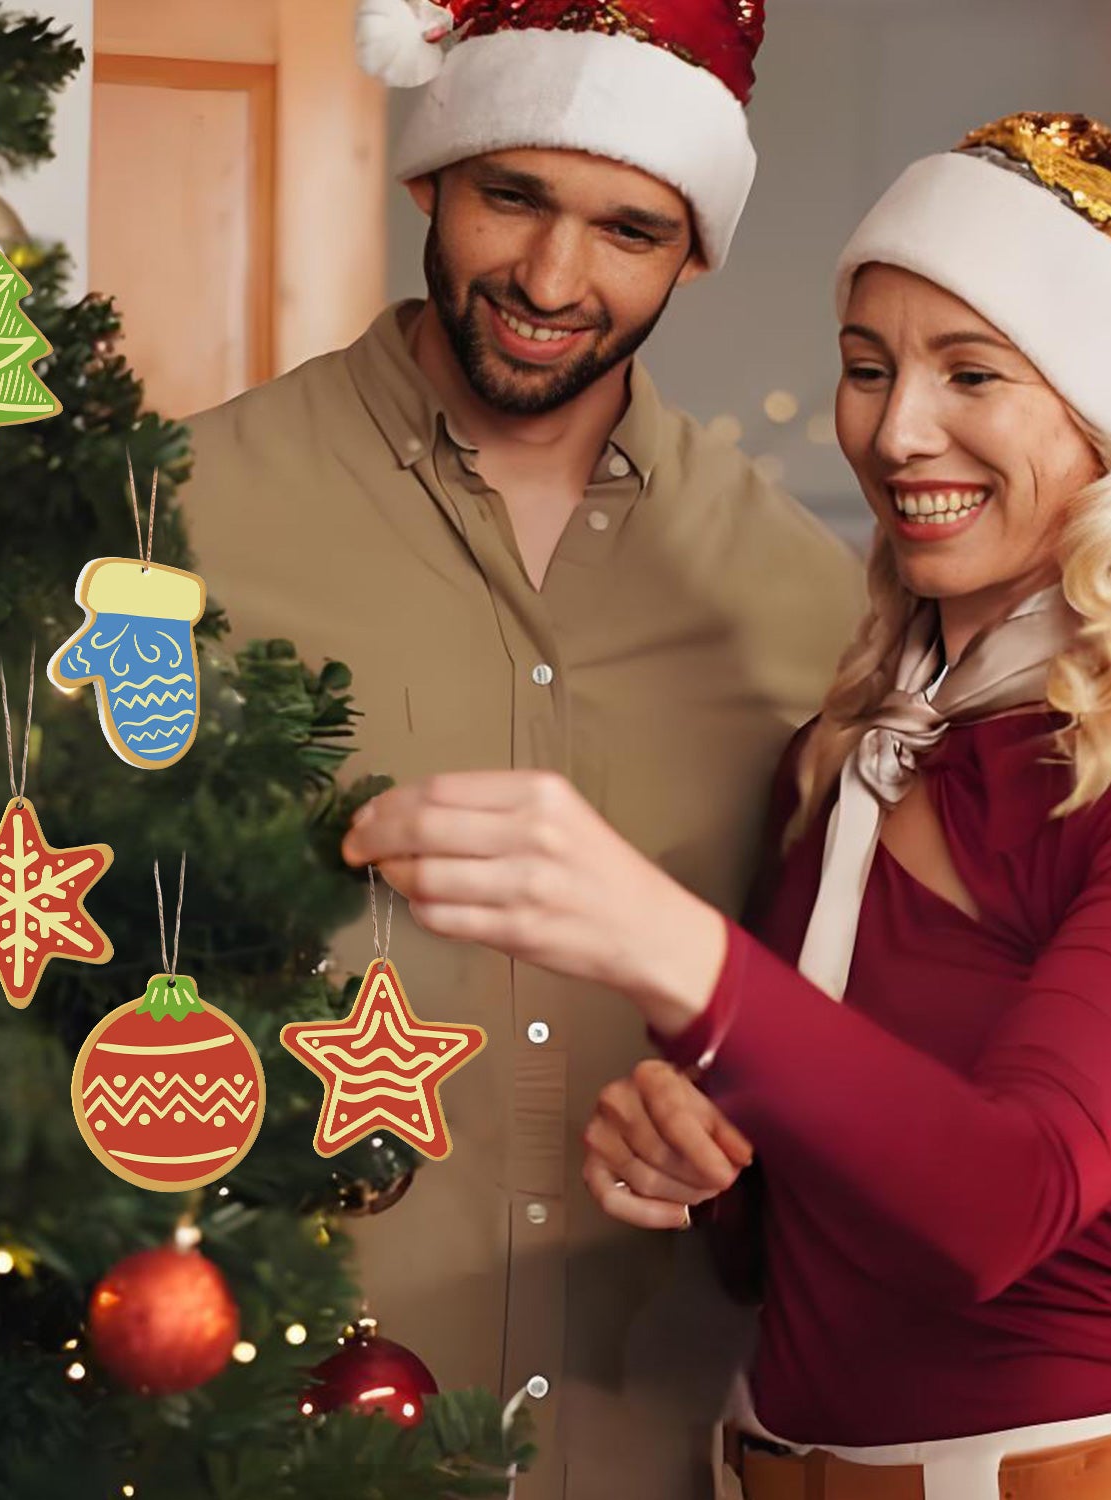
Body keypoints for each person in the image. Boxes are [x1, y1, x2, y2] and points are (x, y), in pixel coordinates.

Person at [343, 110, 1111, 1500]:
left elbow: (1002, 1204)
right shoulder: (850, 754)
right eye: (867, 368)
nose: (895, 428)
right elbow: (817, 1228)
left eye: (971, 373)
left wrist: (665, 946)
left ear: (1109, 424)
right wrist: (704, 1163)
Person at [181, 1, 863, 1493]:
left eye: (628, 229)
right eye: (513, 197)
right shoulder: (178, 521)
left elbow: (856, 1030)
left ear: (692, 249)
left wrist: (744, 1139)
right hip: (264, 1426)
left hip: (663, 1435)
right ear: (430, 177)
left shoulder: (809, 607)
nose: (555, 279)